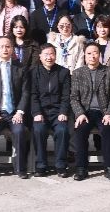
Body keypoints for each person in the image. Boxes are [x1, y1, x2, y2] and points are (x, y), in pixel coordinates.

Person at [70, 42, 110, 181]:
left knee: (108, 128)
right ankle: (81, 168)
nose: (92, 56)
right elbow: (74, 97)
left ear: (100, 55)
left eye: (95, 53)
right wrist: (79, 113)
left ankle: (109, 168)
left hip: (103, 111)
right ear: (84, 56)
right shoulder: (78, 73)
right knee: (80, 129)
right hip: (85, 111)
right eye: (89, 53)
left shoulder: (109, 72)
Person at [0, 36, 29, 178]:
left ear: (12, 48)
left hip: (14, 112)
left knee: (19, 131)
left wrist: (20, 112)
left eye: (8, 46)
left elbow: (26, 92)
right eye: (1, 46)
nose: (5, 49)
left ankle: (20, 168)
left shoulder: (21, 67)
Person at [28, 44, 71, 177]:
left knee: (62, 130)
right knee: (39, 130)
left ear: (56, 55)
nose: (49, 57)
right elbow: (33, 95)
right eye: (46, 54)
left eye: (52, 54)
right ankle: (41, 165)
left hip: (58, 112)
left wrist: (63, 112)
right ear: (40, 56)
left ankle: (61, 165)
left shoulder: (63, 72)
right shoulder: (33, 72)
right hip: (41, 111)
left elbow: (66, 96)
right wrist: (36, 113)